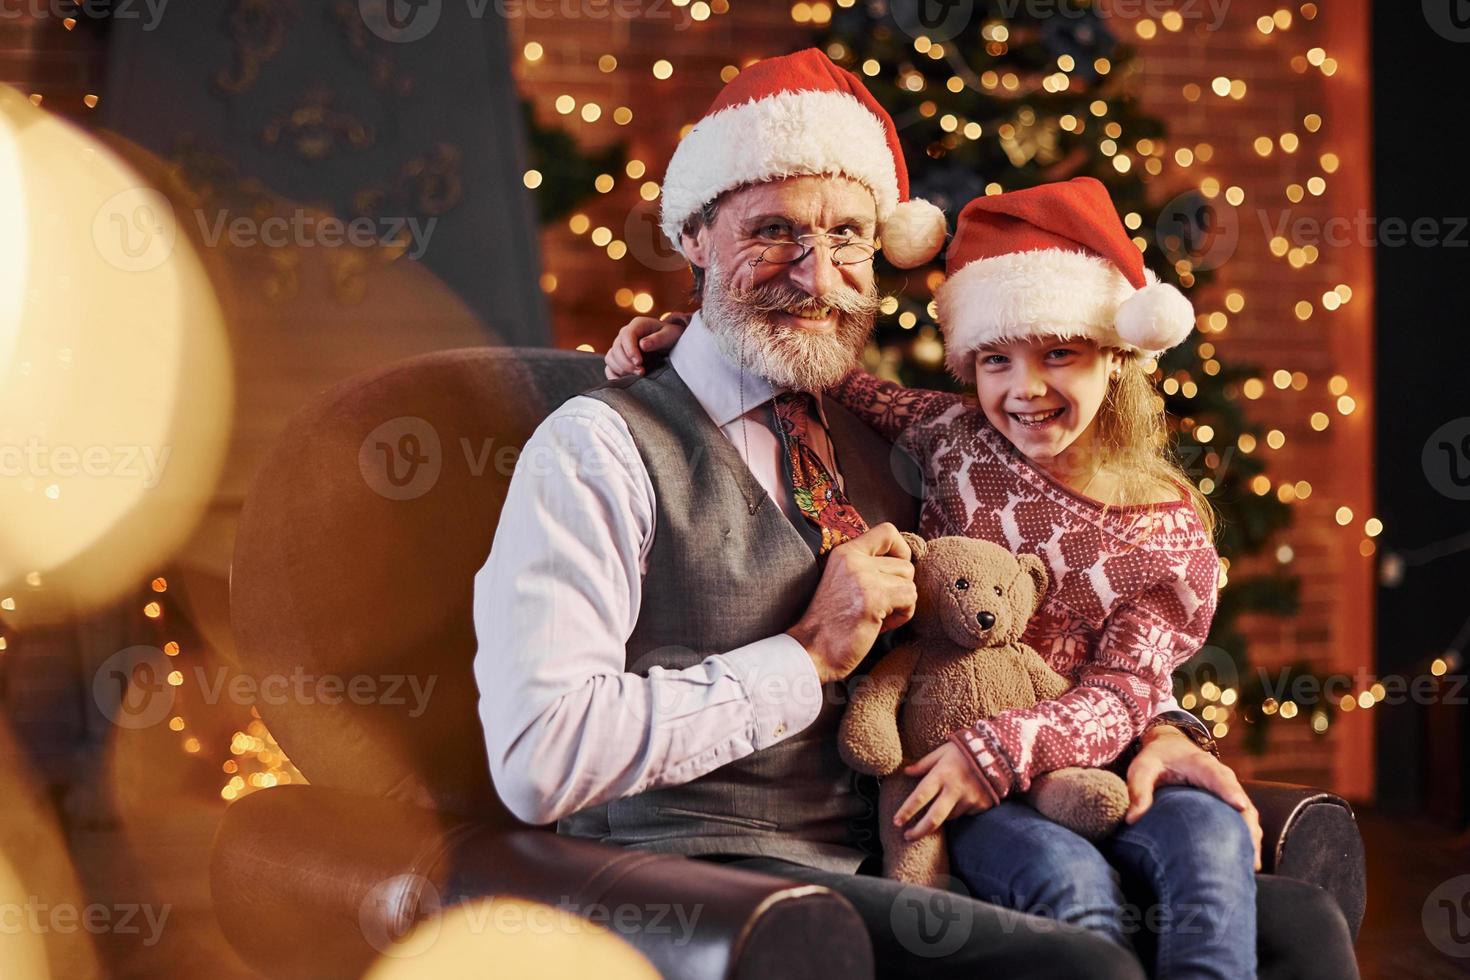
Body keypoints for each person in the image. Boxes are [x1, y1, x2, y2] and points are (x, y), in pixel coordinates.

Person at [476, 49, 1352, 978]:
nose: (817, 276)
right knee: (1080, 965)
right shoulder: (598, 447)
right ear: (695, 236)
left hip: (920, 847)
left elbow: (1057, 625)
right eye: (773, 229)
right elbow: (539, 758)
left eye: (850, 236)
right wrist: (807, 652)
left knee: (1299, 929)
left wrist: (1172, 731)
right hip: (724, 880)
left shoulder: (903, 435)